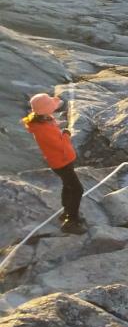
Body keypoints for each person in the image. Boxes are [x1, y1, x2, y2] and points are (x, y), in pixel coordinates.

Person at [23, 93, 84, 234]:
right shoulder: (42, 129)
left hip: (63, 160)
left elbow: (54, 131)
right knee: (77, 190)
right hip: (61, 162)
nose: (54, 108)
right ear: (45, 110)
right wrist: (66, 134)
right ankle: (71, 222)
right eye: (51, 106)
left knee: (68, 186)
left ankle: (67, 212)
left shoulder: (44, 120)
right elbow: (60, 145)